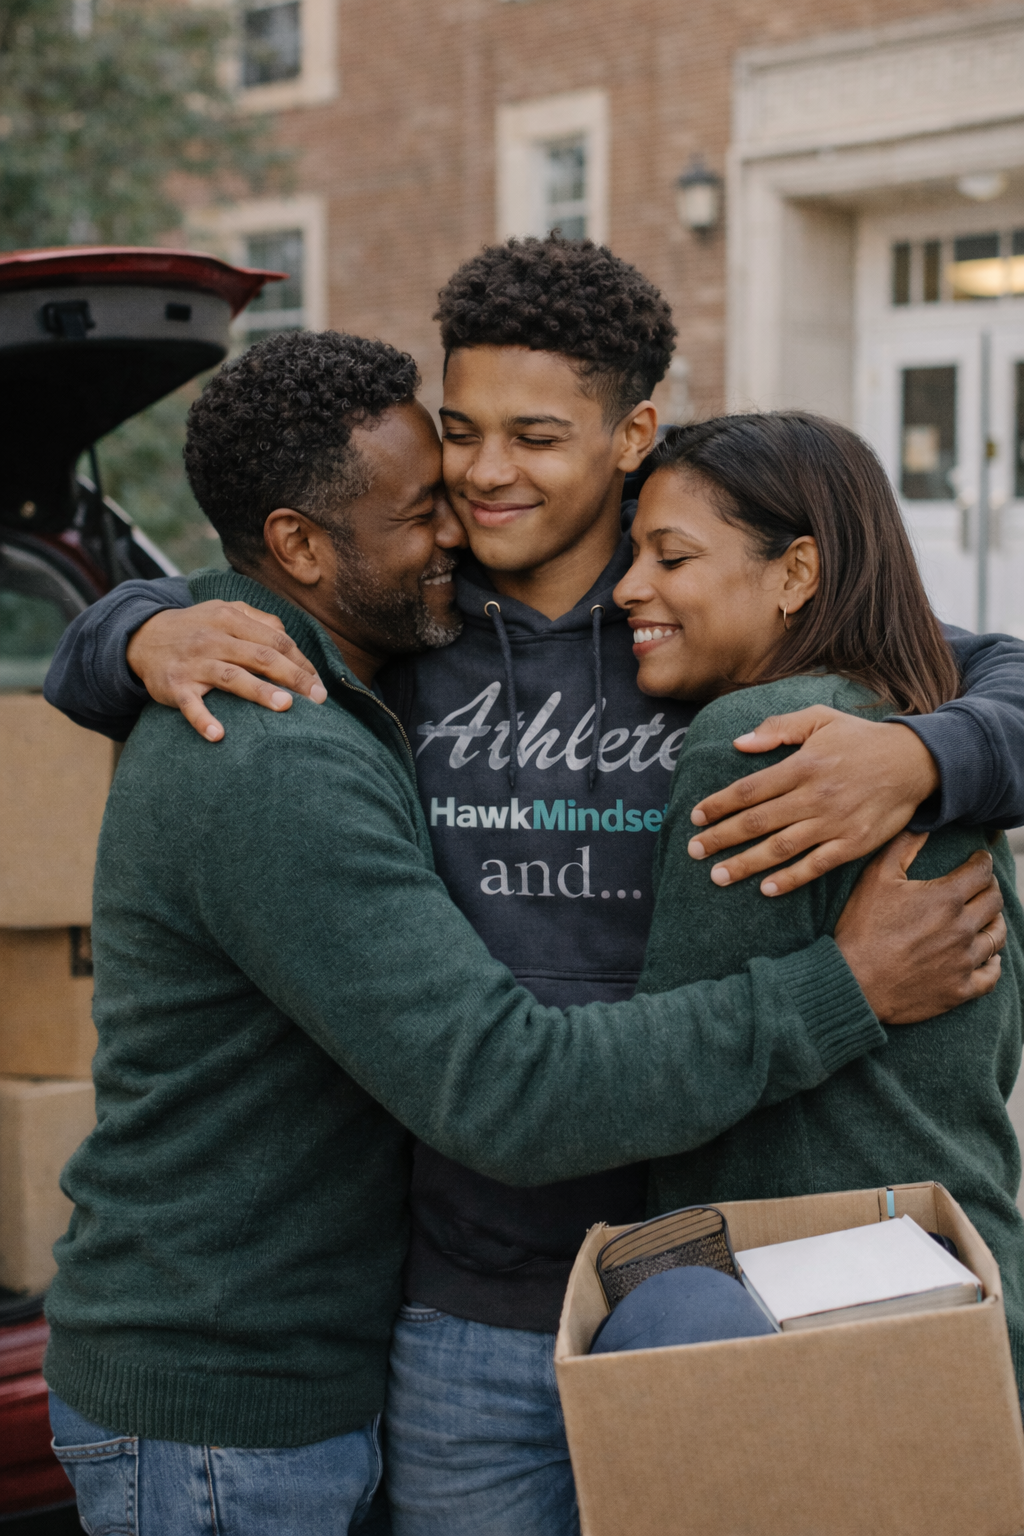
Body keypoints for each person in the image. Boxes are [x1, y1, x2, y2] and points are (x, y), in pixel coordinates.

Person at [43, 239, 1024, 1536]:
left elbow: (962, 659)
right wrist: (129, 629)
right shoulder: (405, 620)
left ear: (632, 437)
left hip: (697, 1274)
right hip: (463, 1308)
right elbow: (222, 614)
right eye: (460, 437)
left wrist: (926, 749)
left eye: (538, 436)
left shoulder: (689, 591)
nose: (482, 482)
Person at [615, 410, 1024, 1389]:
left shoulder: (758, 737)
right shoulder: (916, 738)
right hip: (962, 1292)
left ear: (796, 572)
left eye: (670, 557)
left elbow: (672, 1094)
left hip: (807, 1329)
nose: (628, 588)